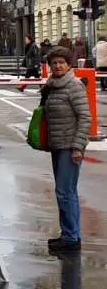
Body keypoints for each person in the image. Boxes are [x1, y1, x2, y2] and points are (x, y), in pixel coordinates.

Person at [41, 47, 91, 252]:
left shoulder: (74, 86)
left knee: (65, 192)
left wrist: (78, 147)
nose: (58, 66)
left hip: (70, 147)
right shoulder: (52, 86)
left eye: (61, 62)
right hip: (57, 145)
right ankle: (69, 234)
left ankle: (70, 238)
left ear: (69, 65)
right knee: (65, 192)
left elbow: (85, 118)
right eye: (54, 63)